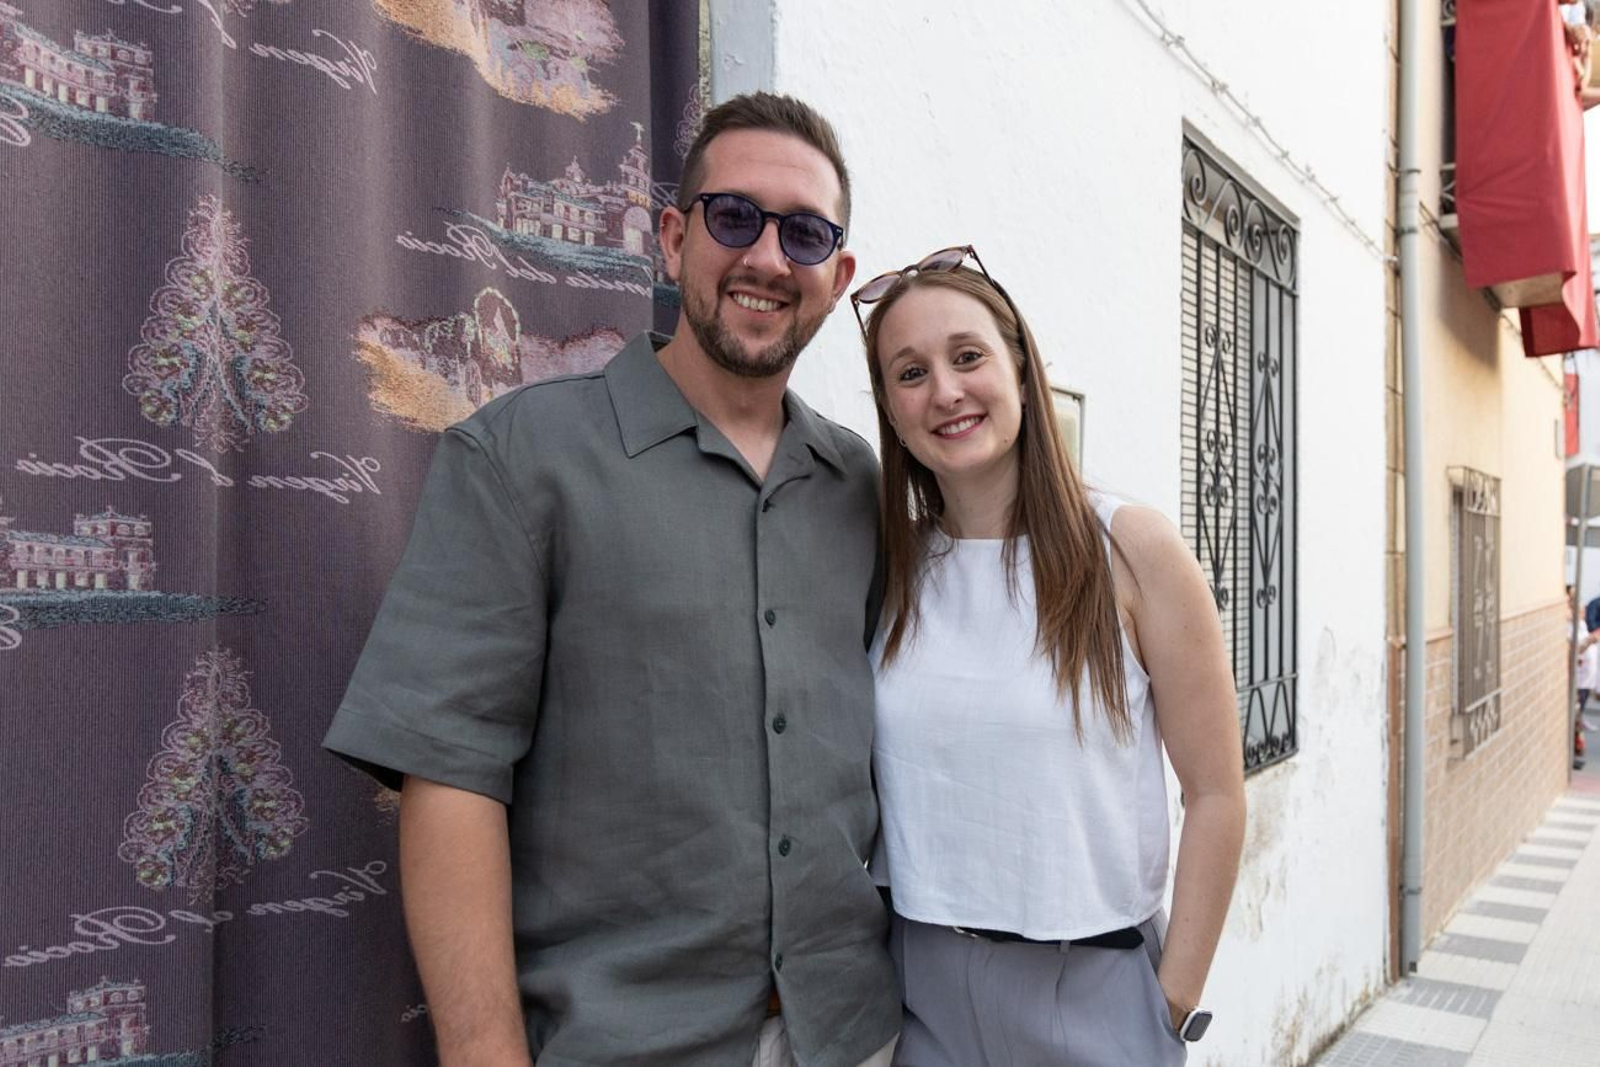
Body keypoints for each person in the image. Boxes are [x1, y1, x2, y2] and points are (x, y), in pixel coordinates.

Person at [323, 92, 900, 1067]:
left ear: (836, 275)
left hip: (854, 1034)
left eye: (802, 234)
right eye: (733, 218)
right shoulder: (519, 458)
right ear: (672, 239)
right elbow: (449, 777)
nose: (765, 257)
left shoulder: (860, 488)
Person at [851, 248, 1248, 1066]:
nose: (946, 391)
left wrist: (1170, 1000)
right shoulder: (890, 568)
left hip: (1092, 989)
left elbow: (1215, 792)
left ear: (1023, 372)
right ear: (890, 408)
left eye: (968, 357)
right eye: (910, 372)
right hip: (922, 987)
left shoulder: (1130, 549)